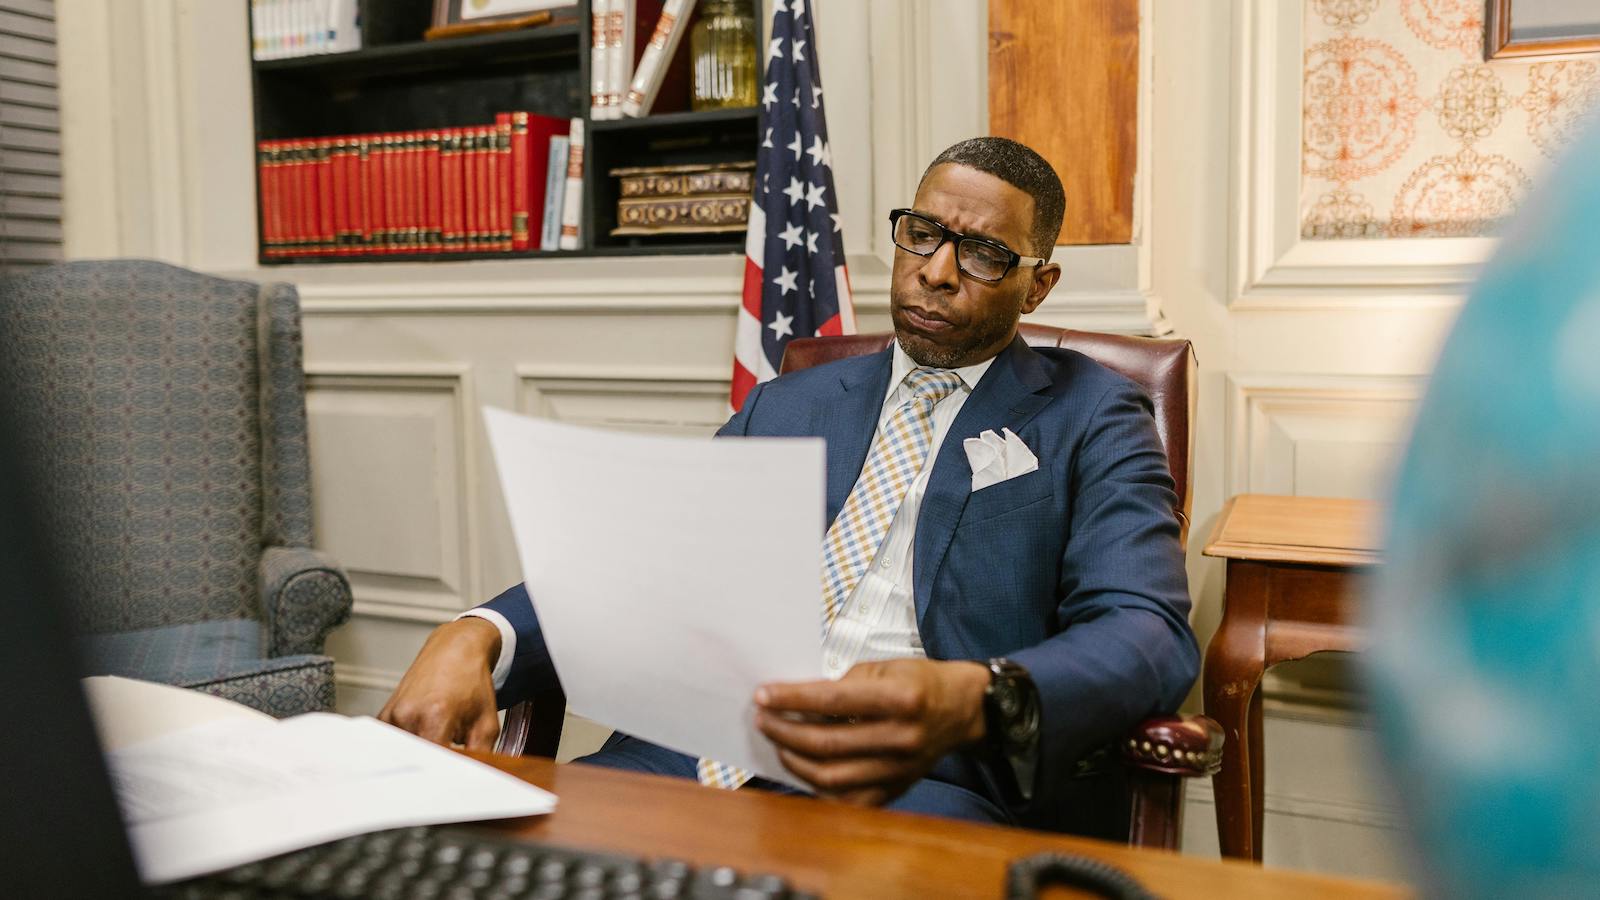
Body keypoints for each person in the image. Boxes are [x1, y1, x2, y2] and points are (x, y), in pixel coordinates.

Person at [380, 137, 1197, 830]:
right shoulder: (789, 402)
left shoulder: (1093, 412)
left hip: (921, 786)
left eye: (984, 253)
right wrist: (479, 632)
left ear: (1038, 284)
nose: (938, 272)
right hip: (685, 752)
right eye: (923, 234)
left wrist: (979, 697)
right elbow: (655, 567)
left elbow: (1148, 631)